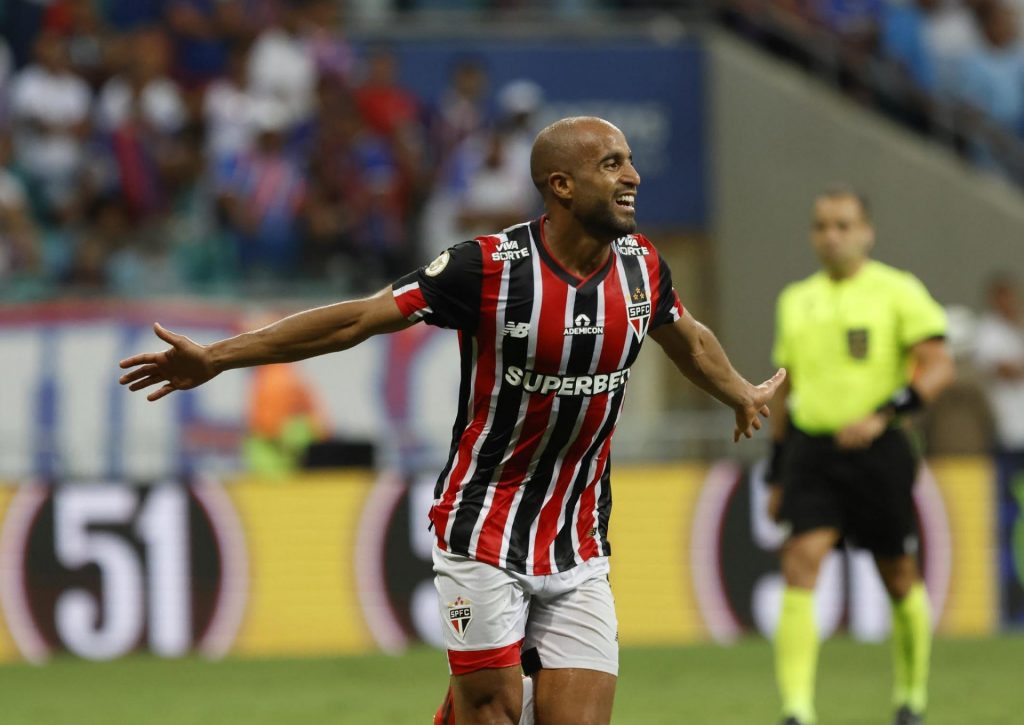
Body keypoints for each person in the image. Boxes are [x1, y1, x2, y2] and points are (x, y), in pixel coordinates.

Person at [119, 116, 784, 725]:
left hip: (579, 545)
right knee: (494, 708)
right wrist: (216, 356)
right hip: (482, 533)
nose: (633, 177)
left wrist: (740, 393)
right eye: (611, 164)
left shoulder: (641, 270)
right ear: (560, 184)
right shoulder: (489, 267)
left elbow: (687, 337)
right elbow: (356, 318)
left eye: (629, 161)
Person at [766, 185, 955, 725]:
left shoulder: (898, 290)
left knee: (897, 572)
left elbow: (938, 364)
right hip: (811, 450)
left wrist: (884, 413)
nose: (832, 235)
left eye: (843, 225)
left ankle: (911, 698)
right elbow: (786, 387)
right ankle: (797, 709)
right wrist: (777, 471)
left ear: (867, 232)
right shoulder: (795, 299)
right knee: (800, 563)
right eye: (823, 225)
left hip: (880, 451)